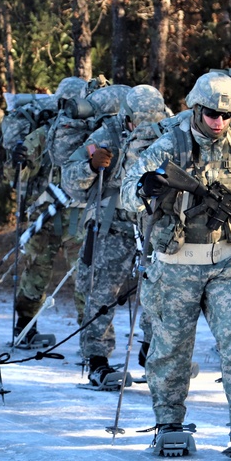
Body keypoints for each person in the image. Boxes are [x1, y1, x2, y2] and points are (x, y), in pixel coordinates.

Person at [120, 71, 231, 448]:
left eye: (227, 115)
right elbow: (127, 192)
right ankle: (169, 423)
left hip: (227, 261)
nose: (218, 122)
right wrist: (144, 188)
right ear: (195, 108)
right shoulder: (169, 144)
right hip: (176, 262)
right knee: (171, 348)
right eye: (210, 114)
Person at [62, 84, 168, 388]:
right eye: (140, 122)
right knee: (99, 291)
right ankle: (97, 360)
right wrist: (91, 167)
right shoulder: (106, 134)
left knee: (159, 289)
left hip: (152, 222)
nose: (147, 129)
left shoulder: (168, 132)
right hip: (113, 221)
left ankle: (154, 352)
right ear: (128, 118)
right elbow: (70, 181)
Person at [5, 76, 90, 348]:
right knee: (35, 272)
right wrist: (19, 160)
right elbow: (20, 173)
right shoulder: (46, 131)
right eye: (67, 104)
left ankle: (90, 338)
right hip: (45, 211)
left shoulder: (94, 132)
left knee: (85, 277)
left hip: (79, 215)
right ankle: (25, 327)